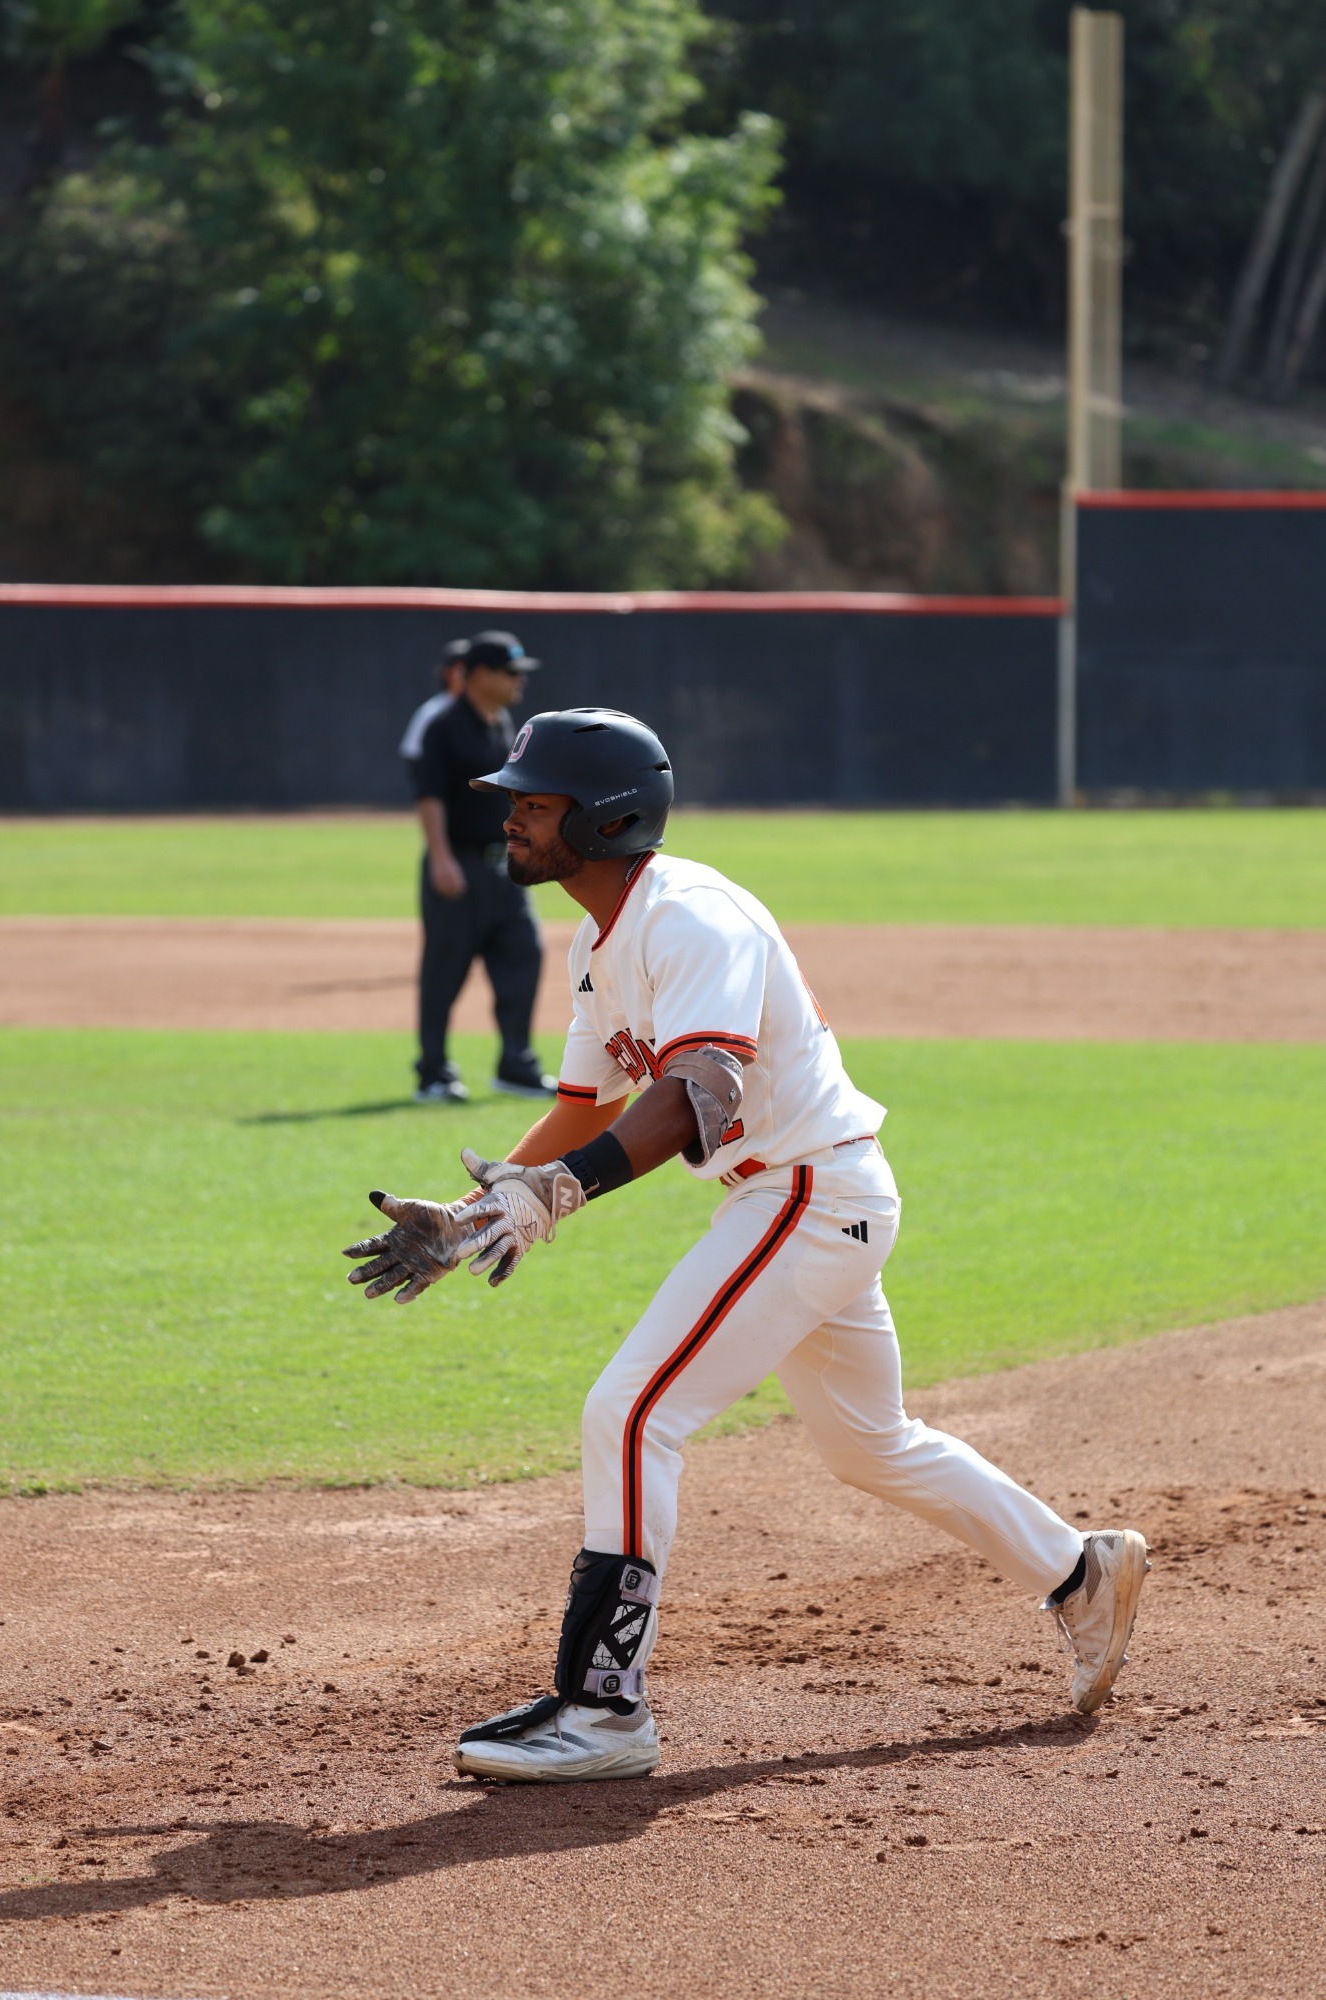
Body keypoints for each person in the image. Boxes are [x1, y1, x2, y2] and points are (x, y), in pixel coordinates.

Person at [344, 708, 1150, 1783]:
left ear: (604, 815)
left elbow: (700, 1095)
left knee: (630, 1414)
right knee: (871, 1443)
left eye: (534, 803)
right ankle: (1079, 1571)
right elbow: (587, 1105)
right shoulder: (598, 939)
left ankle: (602, 1708)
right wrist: (473, 1212)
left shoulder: (691, 916)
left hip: (806, 1192)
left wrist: (558, 1197)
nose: (513, 817)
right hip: (801, 1192)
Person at [408, 631, 556, 1105]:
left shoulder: (501, 722)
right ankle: (433, 1074)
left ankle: (516, 1065)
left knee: (523, 954)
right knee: (444, 972)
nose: (520, 682)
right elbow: (428, 796)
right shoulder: (444, 724)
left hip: (504, 868)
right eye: (512, 673)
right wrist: (441, 857)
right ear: (482, 675)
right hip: (459, 867)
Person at [400, 636, 469, 773]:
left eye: (471, 668)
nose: (466, 674)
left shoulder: (490, 714)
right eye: (460, 669)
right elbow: (413, 756)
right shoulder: (431, 712)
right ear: (447, 673)